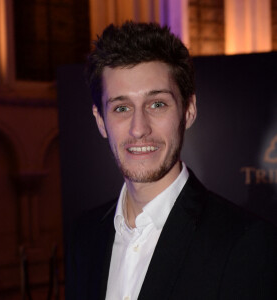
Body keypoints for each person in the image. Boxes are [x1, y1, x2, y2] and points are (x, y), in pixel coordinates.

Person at [67, 22, 277, 299]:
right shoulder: (84, 235)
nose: (139, 128)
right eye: (121, 108)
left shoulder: (245, 243)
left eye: (157, 104)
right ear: (100, 121)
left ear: (188, 111)